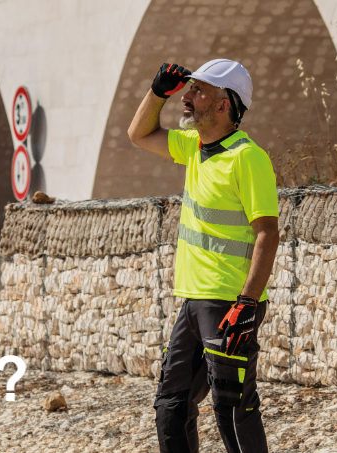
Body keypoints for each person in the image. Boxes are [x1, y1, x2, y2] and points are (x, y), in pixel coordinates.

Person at [127, 59, 278, 453]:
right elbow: (138, 134)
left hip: (229, 304)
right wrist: (157, 91)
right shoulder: (194, 147)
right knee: (171, 407)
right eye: (187, 89)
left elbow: (268, 233)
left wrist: (246, 303)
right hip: (194, 302)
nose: (186, 97)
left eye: (198, 91)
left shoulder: (248, 158)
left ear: (225, 104)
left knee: (233, 410)